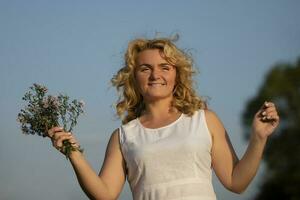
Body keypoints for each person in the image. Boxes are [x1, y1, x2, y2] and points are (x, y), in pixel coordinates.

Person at [47, 36, 280, 200]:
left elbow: (236, 182)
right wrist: (73, 154)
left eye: (165, 67)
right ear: (134, 78)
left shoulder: (205, 120)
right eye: (145, 68)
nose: (155, 74)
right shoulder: (123, 136)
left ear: (177, 75)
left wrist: (258, 138)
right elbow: (105, 194)